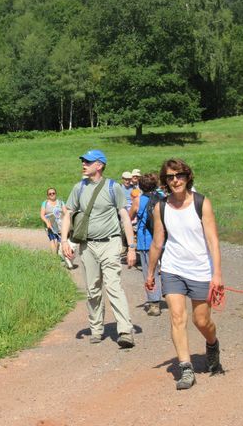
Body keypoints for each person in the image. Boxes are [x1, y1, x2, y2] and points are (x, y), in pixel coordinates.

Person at [146, 158, 224, 390]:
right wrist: (150, 273)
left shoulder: (202, 203)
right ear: (165, 181)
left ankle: (212, 344)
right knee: (177, 317)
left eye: (179, 175)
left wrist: (217, 274)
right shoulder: (161, 207)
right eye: (170, 177)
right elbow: (157, 242)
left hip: (200, 270)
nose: (175, 180)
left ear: (187, 176)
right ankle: (186, 368)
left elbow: (213, 241)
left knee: (201, 321)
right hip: (172, 269)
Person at [61, 149, 137, 348]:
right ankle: (96, 328)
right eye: (83, 161)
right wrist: (64, 242)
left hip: (111, 243)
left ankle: (125, 330)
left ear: (100, 165)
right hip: (88, 246)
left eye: (88, 161)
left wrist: (131, 247)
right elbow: (67, 214)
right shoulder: (78, 188)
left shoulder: (114, 188)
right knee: (93, 289)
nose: (83, 164)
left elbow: (125, 217)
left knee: (113, 286)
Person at [129, 173, 163, 316]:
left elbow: (129, 217)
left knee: (150, 272)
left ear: (140, 186)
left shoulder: (138, 200)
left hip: (146, 241)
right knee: (167, 269)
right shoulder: (162, 199)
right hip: (164, 239)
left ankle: (154, 303)